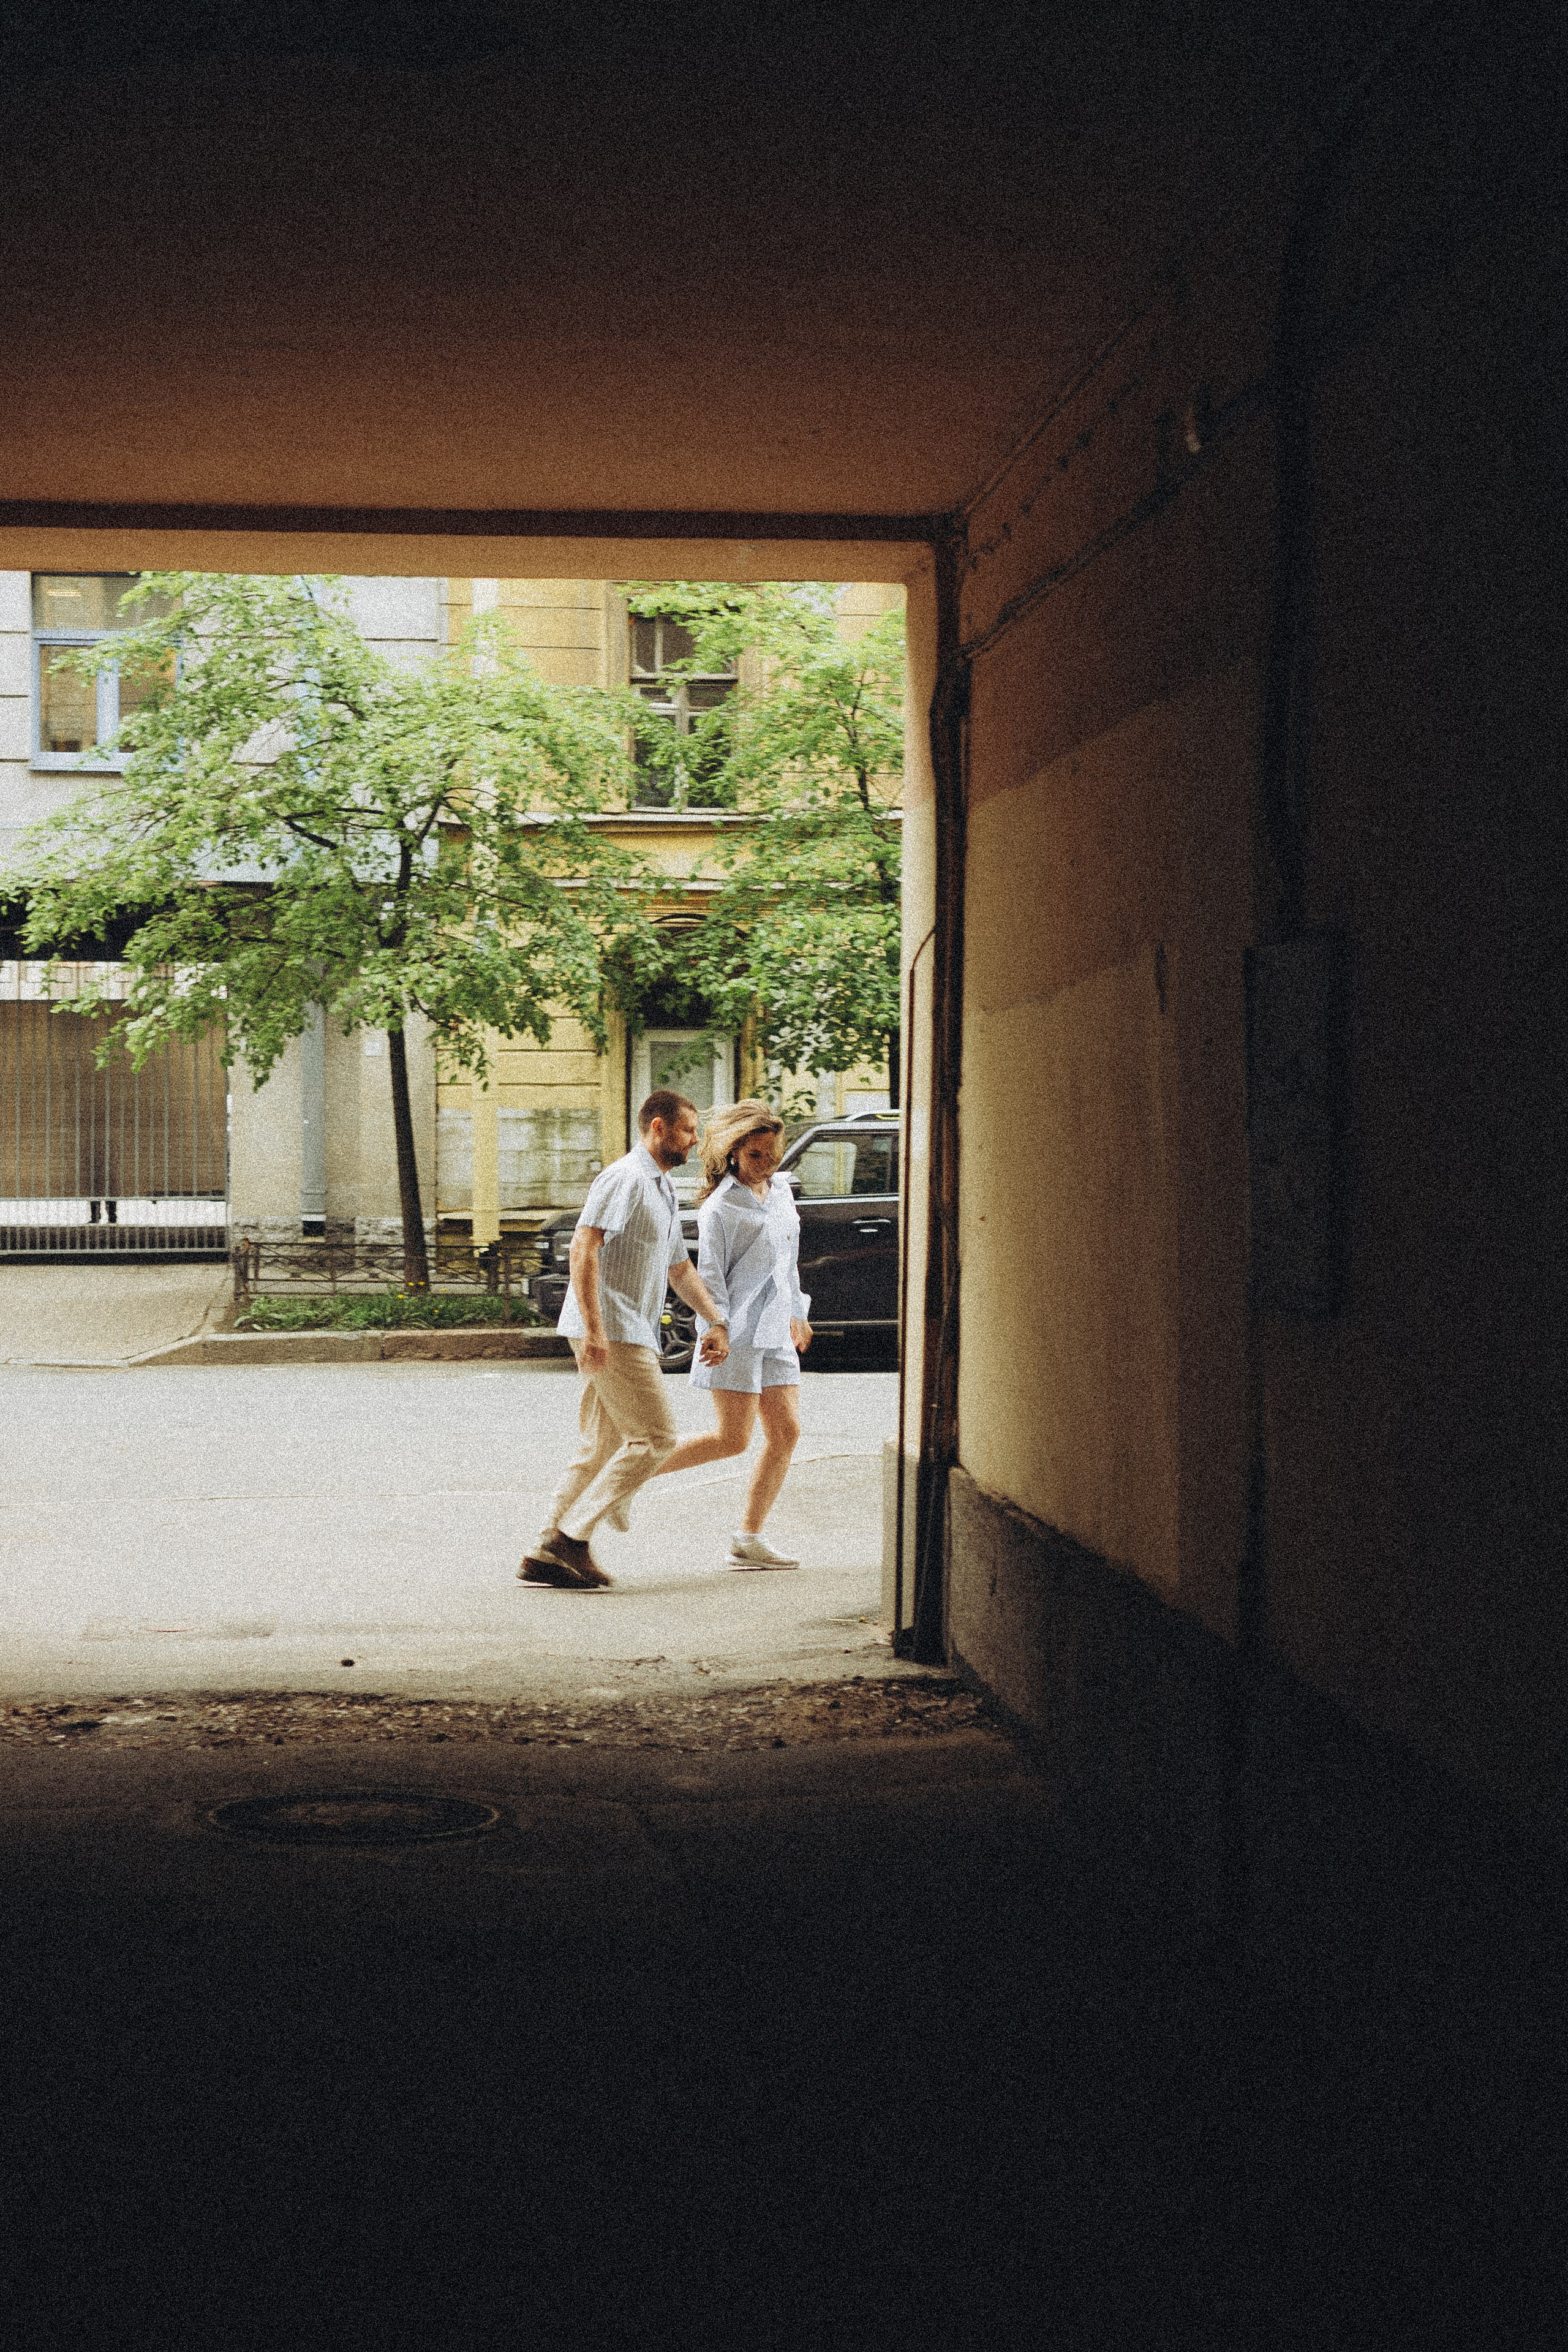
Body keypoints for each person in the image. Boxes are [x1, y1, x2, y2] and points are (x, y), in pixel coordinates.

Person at [520, 1090, 730, 1591]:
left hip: (627, 1327)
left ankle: (545, 1546)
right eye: (688, 1130)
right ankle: (570, 1537)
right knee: (655, 1438)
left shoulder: (659, 1187)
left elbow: (679, 1267)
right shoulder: (626, 1178)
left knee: (604, 1446)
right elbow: (583, 1247)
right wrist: (594, 1329)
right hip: (612, 1329)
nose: (695, 1140)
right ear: (658, 1127)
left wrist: (715, 1320)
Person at [652, 1099, 813, 1568]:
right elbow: (712, 1276)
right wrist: (715, 1327)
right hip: (738, 1331)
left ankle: (749, 1536)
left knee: (786, 1433)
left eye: (772, 1154)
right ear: (734, 1153)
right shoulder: (721, 1205)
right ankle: (628, 1477)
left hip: (777, 1327)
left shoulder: (780, 1192)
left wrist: (798, 1312)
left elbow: (788, 1258)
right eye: (756, 1156)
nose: (765, 1165)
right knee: (733, 1439)